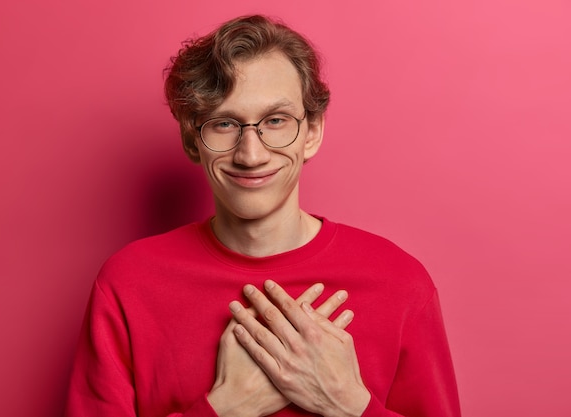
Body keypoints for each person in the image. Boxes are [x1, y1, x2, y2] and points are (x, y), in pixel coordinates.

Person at [65, 14, 461, 417]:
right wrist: (224, 409)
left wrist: (348, 405)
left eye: (275, 121)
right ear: (191, 140)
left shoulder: (400, 283)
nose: (250, 155)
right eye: (224, 123)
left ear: (312, 132)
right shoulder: (128, 284)